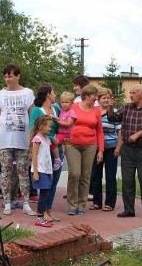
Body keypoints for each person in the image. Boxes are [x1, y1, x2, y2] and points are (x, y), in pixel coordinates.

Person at [106, 84, 142, 221]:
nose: (130, 95)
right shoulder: (126, 107)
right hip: (128, 150)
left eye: (133, 93)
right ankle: (128, 210)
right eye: (130, 93)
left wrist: (138, 135)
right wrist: (110, 107)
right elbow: (113, 119)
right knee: (127, 181)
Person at [0, 64, 36, 217]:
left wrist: (32, 137)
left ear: (17, 76)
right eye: (5, 76)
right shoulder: (0, 94)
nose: (7, 79)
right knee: (5, 172)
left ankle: (26, 203)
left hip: (23, 140)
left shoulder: (28, 93)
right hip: (4, 140)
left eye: (10, 76)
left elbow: (33, 116)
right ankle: (8, 202)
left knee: (23, 172)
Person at [65, 84, 104, 215]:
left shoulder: (96, 111)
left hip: (90, 145)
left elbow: (99, 131)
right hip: (72, 144)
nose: (96, 99)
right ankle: (72, 204)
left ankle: (81, 205)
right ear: (87, 95)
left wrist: (101, 150)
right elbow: (65, 122)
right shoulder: (74, 107)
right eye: (95, 96)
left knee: (86, 176)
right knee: (74, 174)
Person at [29, 84, 64, 222]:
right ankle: (42, 212)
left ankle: (49, 210)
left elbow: (61, 125)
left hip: (56, 148)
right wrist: (51, 138)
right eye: (54, 92)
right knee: (44, 183)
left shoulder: (56, 109)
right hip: (44, 148)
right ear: (48, 94)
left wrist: (60, 140)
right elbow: (34, 130)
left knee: (53, 181)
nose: (55, 95)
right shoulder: (37, 111)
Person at [90, 88, 122, 212]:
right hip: (96, 148)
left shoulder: (115, 113)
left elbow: (120, 131)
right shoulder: (94, 112)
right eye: (104, 98)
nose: (106, 100)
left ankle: (110, 203)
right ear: (99, 100)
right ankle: (96, 202)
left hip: (111, 148)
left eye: (108, 98)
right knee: (96, 175)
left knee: (110, 176)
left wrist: (118, 148)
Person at [30, 115, 58, 227]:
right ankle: (40, 217)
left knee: (46, 194)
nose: (50, 128)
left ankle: (41, 217)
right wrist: (35, 171)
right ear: (41, 126)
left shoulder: (46, 139)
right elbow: (34, 155)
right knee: (44, 194)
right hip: (40, 170)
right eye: (48, 126)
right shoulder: (37, 139)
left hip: (46, 170)